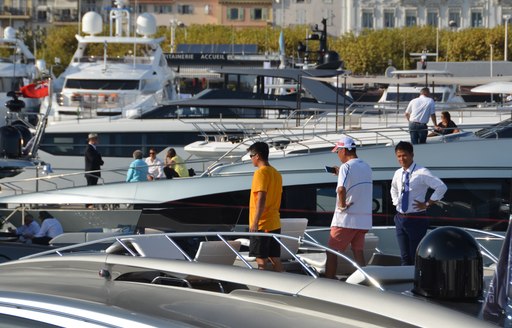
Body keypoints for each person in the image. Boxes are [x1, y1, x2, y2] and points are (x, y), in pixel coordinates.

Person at [390, 141, 447, 265]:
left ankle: (417, 283)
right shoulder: (398, 173)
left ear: (412, 155)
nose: (401, 159)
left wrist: (427, 204)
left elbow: (441, 187)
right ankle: (406, 282)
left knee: (415, 256)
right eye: (399, 156)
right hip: (400, 218)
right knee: (404, 256)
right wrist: (396, 202)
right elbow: (393, 188)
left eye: (404, 155)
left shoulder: (422, 172)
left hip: (416, 219)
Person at [325, 137, 373, 279]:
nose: (338, 155)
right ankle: (365, 282)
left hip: (345, 219)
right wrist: (340, 173)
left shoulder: (346, 167)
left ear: (344, 150)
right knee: (358, 252)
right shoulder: (366, 166)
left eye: (338, 151)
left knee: (332, 251)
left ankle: (329, 282)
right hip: (363, 220)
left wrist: (342, 205)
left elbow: (341, 189)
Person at [247, 141, 284, 272]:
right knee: (275, 257)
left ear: (257, 156)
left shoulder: (260, 173)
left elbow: (261, 198)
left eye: (251, 156)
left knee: (261, 259)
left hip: (262, 223)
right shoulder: (276, 174)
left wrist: (255, 222)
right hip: (274, 222)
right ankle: (285, 285)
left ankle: (262, 289)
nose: (250, 159)